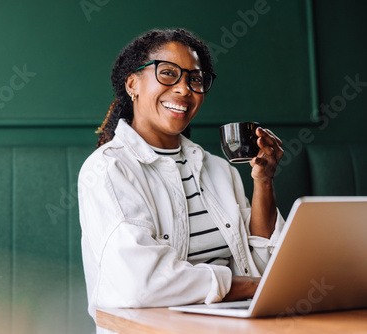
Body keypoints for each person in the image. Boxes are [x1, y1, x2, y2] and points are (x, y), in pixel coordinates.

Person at [78, 28, 285, 329]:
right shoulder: (109, 170)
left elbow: (259, 265)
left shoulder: (218, 170)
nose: (184, 89)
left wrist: (263, 181)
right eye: (168, 73)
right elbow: (144, 283)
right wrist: (256, 288)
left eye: (195, 79)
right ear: (132, 84)